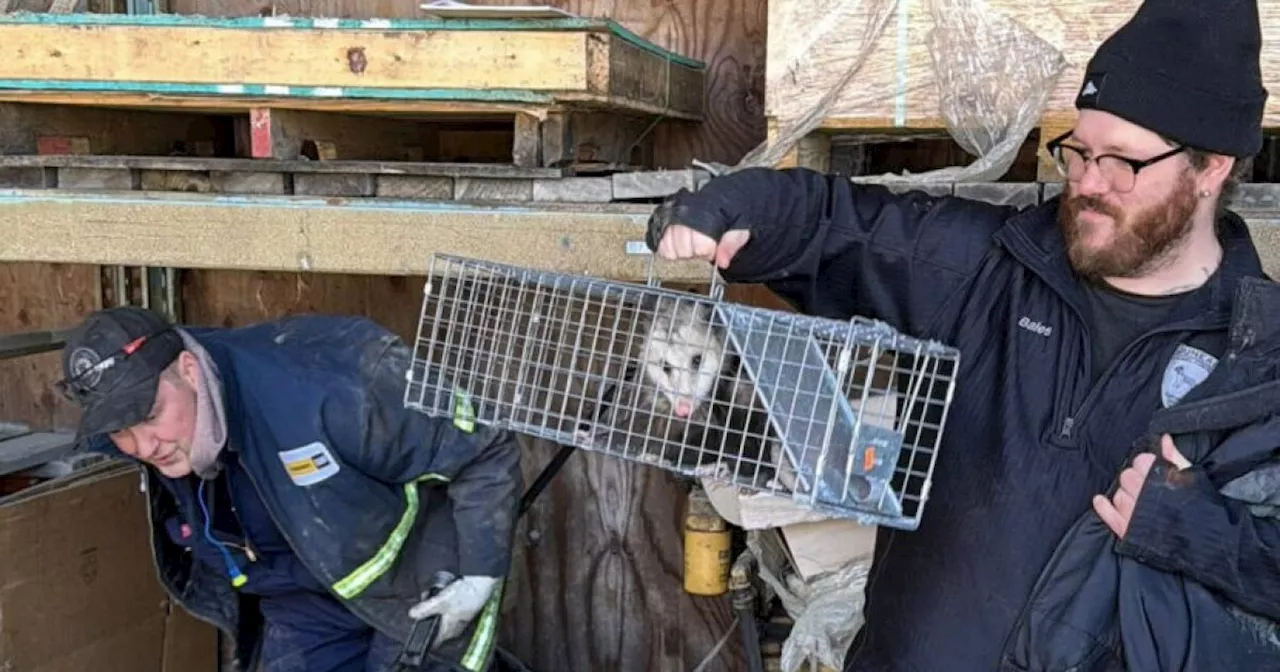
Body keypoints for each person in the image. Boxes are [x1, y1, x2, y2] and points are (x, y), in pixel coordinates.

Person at [647, 0, 1278, 669]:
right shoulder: (993, 266)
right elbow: (840, 224)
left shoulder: (1257, 366)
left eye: (1122, 162)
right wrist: (727, 209)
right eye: (1079, 152)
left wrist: (1204, 536)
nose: (1089, 184)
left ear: (1212, 167)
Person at [54, 306, 524, 672]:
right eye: (122, 431)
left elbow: (483, 449)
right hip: (302, 597)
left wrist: (479, 576)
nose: (144, 445)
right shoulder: (156, 437)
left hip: (418, 585)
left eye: (150, 415)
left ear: (190, 371)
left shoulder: (334, 388)